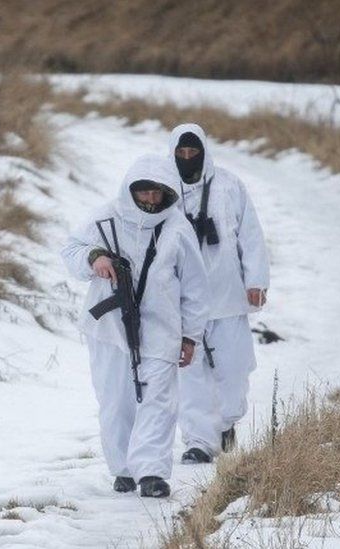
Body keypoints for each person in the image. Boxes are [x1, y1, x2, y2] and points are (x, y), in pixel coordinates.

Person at [61, 154, 208, 497]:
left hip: (162, 328)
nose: (151, 200)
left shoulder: (177, 228)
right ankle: (124, 468)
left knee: (159, 401)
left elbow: (196, 287)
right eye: (144, 192)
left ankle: (152, 473)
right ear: (131, 190)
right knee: (116, 400)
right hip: (110, 329)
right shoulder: (105, 216)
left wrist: (190, 335)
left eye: (158, 193)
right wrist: (94, 257)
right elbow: (70, 249)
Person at [170, 123, 270, 464]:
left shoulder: (229, 186)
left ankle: (226, 423)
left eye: (192, 152)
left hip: (226, 295)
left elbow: (250, 234)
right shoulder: (165, 187)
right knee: (191, 374)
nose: (187, 158)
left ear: (203, 151)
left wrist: (256, 279)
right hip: (183, 302)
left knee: (234, 368)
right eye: (180, 153)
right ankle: (199, 440)